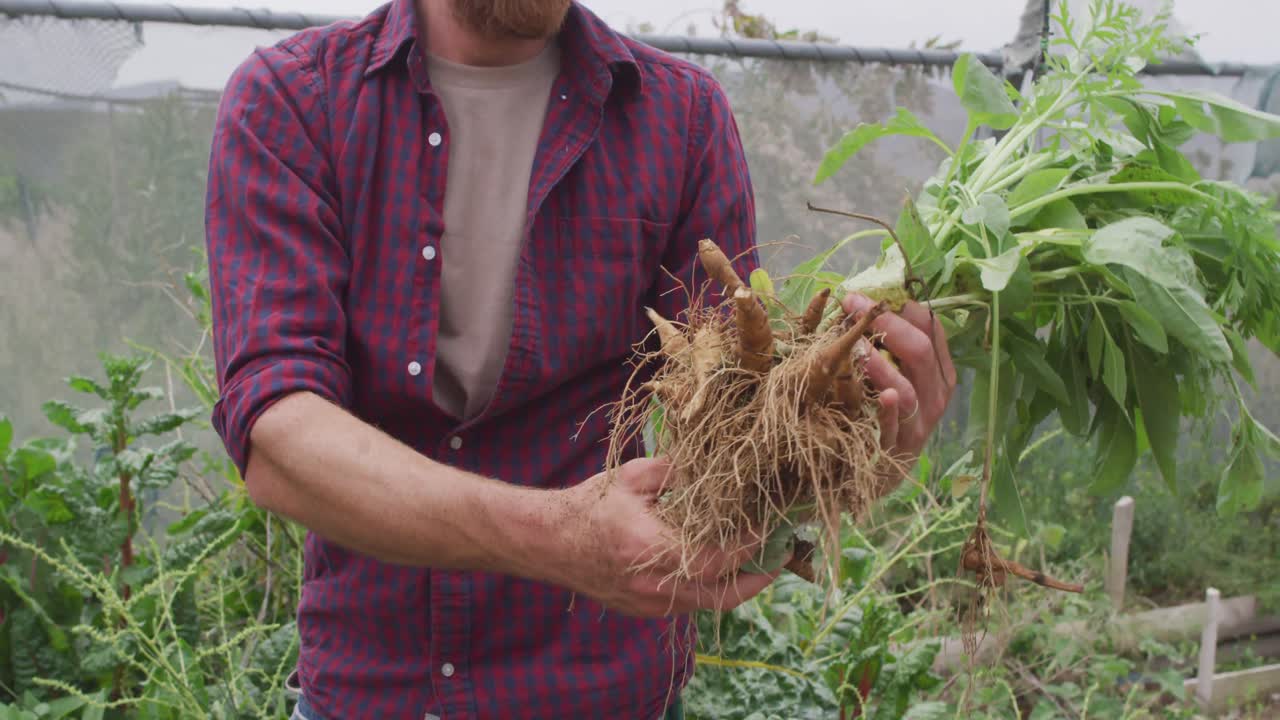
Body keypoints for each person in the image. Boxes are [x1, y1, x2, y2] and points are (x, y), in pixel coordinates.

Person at [203, 0, 957, 717]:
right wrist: (559, 538)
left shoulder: (678, 118)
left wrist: (845, 455)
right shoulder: (297, 101)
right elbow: (278, 437)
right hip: (378, 694)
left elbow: (735, 442)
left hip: (607, 692)